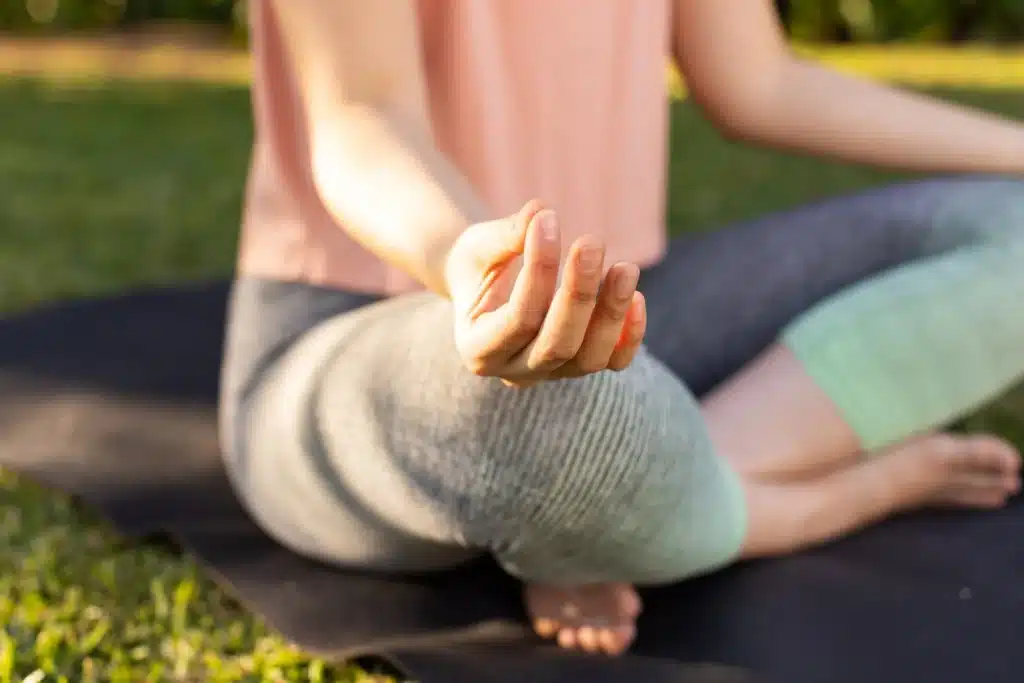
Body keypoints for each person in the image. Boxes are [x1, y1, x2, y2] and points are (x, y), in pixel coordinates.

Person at [219, 0, 1024, 658]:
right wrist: (471, 262)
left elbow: (760, 85)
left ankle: (634, 505)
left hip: (629, 306)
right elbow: (363, 113)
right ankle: (816, 499)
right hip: (362, 330)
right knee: (534, 408)